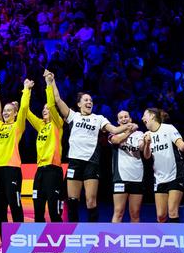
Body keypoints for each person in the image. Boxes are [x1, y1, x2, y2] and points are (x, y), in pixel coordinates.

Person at [50, 71, 132, 222]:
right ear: (79, 104)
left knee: (91, 201)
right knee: (73, 200)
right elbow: (57, 99)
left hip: (91, 163)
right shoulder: (72, 116)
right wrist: (51, 81)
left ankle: (92, 234)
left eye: (91, 101)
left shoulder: (98, 118)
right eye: (86, 100)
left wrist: (128, 127)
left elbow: (114, 130)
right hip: (75, 161)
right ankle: (72, 233)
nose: (89, 102)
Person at [0, 78, 32, 253]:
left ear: (15, 113)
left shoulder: (17, 126)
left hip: (12, 170)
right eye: (4, 111)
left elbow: (24, 109)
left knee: (15, 207)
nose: (5, 113)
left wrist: (26, 90)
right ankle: (6, 244)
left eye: (9, 111)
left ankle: (18, 244)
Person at [141, 108, 184, 223]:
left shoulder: (168, 128)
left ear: (152, 116)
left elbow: (182, 147)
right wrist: (147, 143)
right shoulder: (147, 135)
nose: (142, 118)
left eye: (144, 115)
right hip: (159, 178)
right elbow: (146, 156)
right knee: (160, 216)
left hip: (175, 175)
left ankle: (174, 238)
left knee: (172, 211)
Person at [25, 70, 65, 223]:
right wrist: (26, 91)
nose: (45, 110)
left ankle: (59, 244)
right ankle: (41, 245)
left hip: (53, 170)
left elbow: (52, 104)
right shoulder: (41, 125)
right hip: (40, 171)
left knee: (54, 212)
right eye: (43, 110)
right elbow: (26, 113)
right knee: (38, 210)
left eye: (47, 109)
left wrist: (48, 84)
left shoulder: (57, 123)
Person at [108, 110, 143, 223]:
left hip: (137, 176)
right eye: (121, 118)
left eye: (126, 117)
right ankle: (113, 238)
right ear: (118, 122)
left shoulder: (139, 134)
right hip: (120, 177)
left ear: (130, 119)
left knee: (135, 213)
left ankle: (135, 238)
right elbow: (117, 140)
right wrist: (129, 131)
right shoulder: (113, 134)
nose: (124, 119)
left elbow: (142, 147)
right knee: (118, 211)